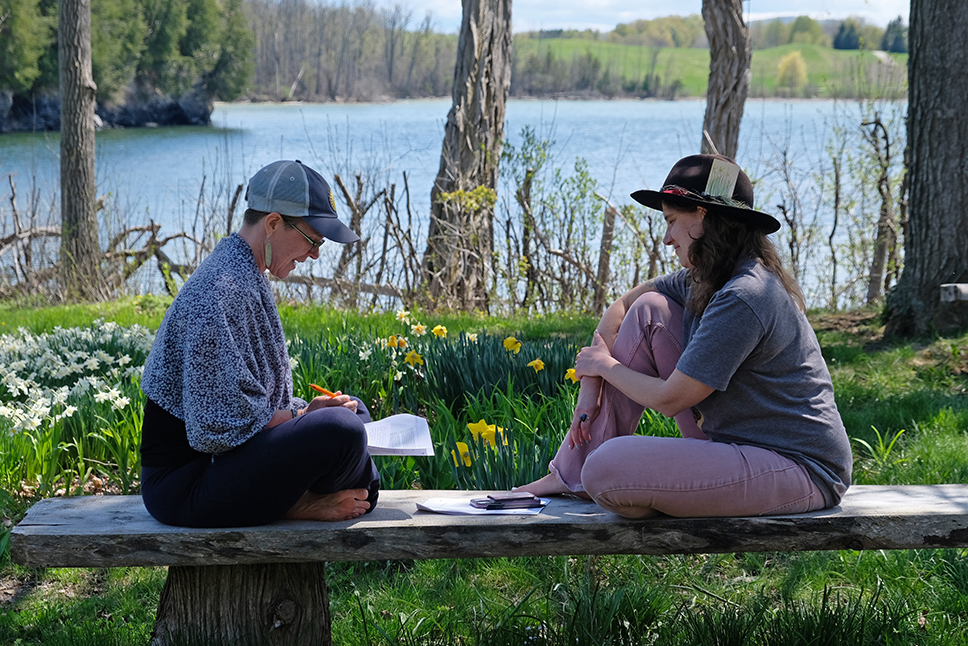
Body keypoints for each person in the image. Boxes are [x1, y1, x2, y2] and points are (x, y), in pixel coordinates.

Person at [518, 153, 852, 519]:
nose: (666, 238)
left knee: (605, 467)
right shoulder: (708, 277)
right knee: (650, 310)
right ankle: (571, 476)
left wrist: (605, 366)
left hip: (800, 468)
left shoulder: (746, 294)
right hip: (733, 446)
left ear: (704, 217)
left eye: (672, 221)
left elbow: (670, 399)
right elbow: (621, 307)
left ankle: (613, 481)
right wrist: (589, 391)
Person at [139, 159, 380, 527]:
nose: (315, 253)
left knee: (353, 412)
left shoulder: (244, 275)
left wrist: (304, 414)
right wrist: (303, 417)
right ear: (272, 223)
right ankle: (293, 502)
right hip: (186, 486)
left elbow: (247, 407)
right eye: (313, 239)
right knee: (341, 429)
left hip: (224, 466)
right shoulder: (217, 293)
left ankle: (290, 498)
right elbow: (215, 429)